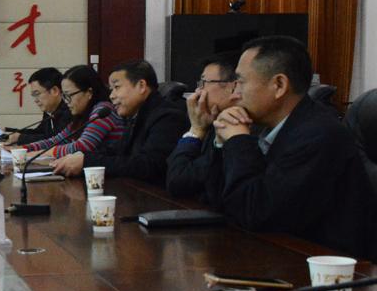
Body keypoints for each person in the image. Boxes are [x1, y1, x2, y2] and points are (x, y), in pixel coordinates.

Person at [206, 36, 376, 259]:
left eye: (241, 82)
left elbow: (256, 214)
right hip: (276, 255)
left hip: (322, 268)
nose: (235, 93)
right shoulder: (261, 125)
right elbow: (215, 201)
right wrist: (221, 142)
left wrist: (237, 141)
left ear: (279, 85)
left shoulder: (318, 136)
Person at [53, 60, 188, 184]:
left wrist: (87, 162)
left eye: (117, 87)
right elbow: (116, 152)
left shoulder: (168, 117)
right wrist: (82, 156)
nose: (111, 95)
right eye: (111, 89)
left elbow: (148, 165)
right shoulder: (137, 116)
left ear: (141, 86)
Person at [165, 52, 239, 199]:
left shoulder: (240, 125)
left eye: (204, 83)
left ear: (233, 86)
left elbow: (178, 182)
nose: (198, 91)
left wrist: (196, 130)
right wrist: (197, 128)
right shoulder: (211, 120)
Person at [19, 65, 125, 158]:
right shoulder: (82, 114)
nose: (66, 101)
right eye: (64, 96)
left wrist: (42, 153)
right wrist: (24, 149)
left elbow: (82, 146)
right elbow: (56, 140)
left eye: (69, 95)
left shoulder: (102, 111)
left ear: (89, 92)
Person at [4, 67, 72, 146]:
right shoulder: (49, 111)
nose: (35, 100)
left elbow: (56, 139)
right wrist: (8, 131)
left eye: (37, 94)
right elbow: (39, 132)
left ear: (54, 91)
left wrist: (21, 138)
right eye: (34, 95)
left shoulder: (70, 111)